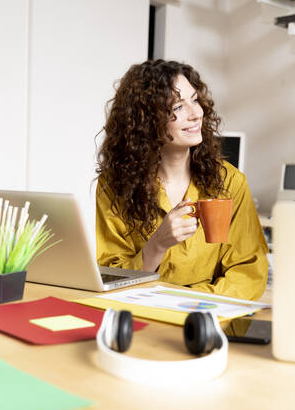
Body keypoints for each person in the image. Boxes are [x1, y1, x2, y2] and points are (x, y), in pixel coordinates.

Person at [95, 59, 268, 301]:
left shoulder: (230, 181)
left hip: (208, 313)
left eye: (195, 100)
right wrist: (156, 245)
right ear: (146, 121)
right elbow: (109, 278)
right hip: (141, 312)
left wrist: (190, 302)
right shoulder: (113, 186)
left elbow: (249, 271)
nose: (196, 113)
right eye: (177, 107)